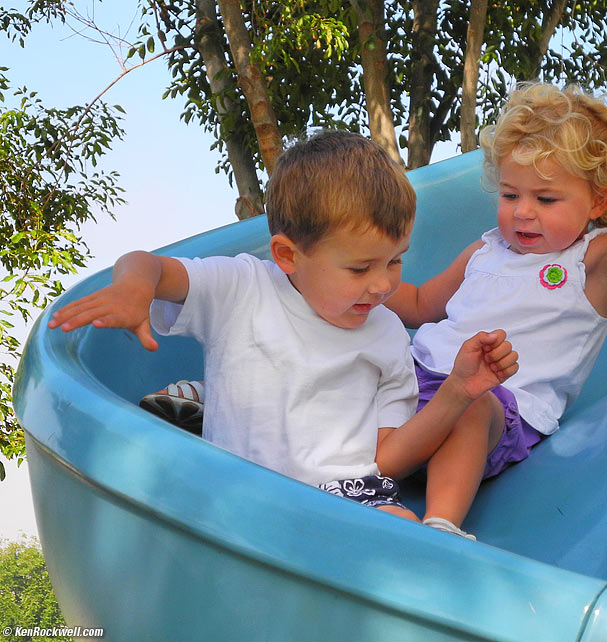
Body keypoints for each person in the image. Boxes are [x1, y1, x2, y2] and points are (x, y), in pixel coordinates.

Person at [48, 131, 519, 540]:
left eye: (395, 260)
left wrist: (456, 393)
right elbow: (146, 263)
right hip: (240, 485)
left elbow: (386, 459)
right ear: (288, 255)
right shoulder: (240, 287)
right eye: (360, 268)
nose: (382, 285)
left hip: (347, 493)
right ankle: (198, 403)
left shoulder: (388, 334)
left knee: (407, 538)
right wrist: (133, 291)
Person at [385, 82, 607, 478]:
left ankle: (441, 524)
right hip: (415, 382)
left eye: (545, 199)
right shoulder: (485, 251)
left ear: (598, 201)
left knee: (473, 405)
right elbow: (421, 304)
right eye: (510, 195)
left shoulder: (596, 259)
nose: (522, 211)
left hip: (493, 405)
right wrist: (343, 281)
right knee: (357, 359)